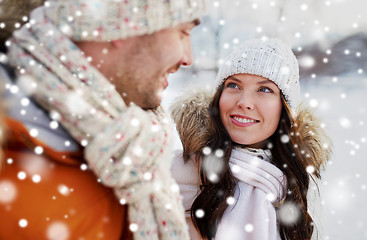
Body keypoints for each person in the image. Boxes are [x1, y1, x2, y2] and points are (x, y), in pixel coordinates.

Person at [0, 0, 206, 239]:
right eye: (183, 32)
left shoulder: (135, 150)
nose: (188, 58)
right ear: (122, 22)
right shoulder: (13, 167)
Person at [170, 38, 332, 240]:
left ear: (284, 109)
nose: (244, 102)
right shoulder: (175, 173)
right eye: (233, 86)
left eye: (264, 89)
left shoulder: (298, 186)